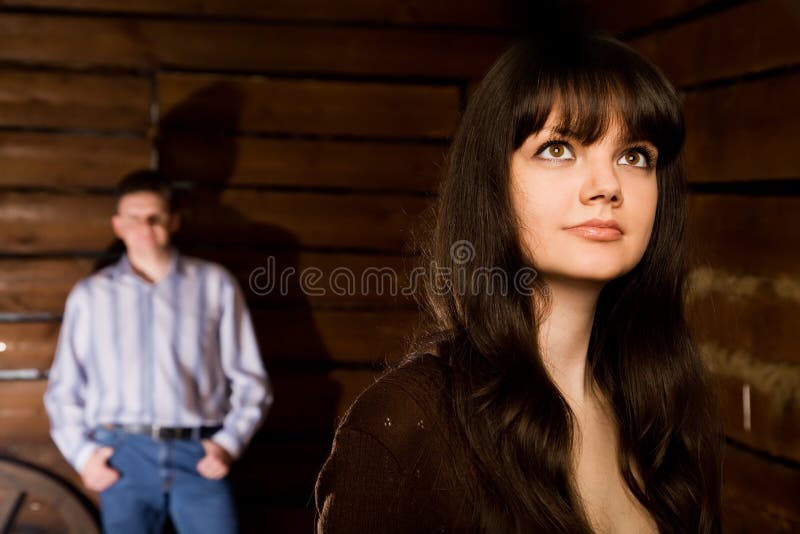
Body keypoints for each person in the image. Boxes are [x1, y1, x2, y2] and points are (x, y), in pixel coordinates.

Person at [314, 31, 724, 534]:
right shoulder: (404, 426)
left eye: (634, 155)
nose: (607, 186)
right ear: (492, 184)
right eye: (558, 148)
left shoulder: (665, 409)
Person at [44, 170, 273, 533]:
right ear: (118, 225)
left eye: (155, 217)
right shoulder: (91, 295)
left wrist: (229, 442)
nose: (144, 227)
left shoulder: (215, 284)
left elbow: (251, 379)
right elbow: (64, 387)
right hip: (121, 454)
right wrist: (83, 456)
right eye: (134, 217)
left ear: (174, 221)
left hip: (199, 453)